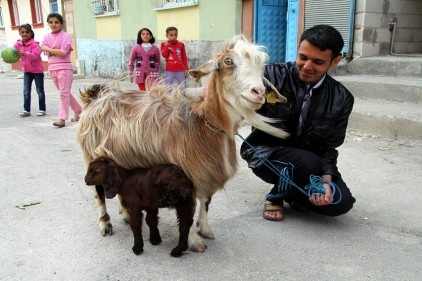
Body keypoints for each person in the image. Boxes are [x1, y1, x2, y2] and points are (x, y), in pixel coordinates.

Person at [240, 24, 356, 221]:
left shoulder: (342, 98)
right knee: (307, 163)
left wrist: (327, 181)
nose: (307, 66)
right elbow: (234, 83)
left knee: (339, 203)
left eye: (318, 62)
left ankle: (295, 192)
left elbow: (329, 148)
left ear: (335, 61)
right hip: (265, 151)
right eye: (303, 57)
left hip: (308, 160)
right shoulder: (271, 76)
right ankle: (276, 196)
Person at [41, 12, 82, 128]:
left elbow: (63, 52)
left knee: (63, 94)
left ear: (61, 24)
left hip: (64, 68)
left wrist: (49, 49)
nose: (53, 24)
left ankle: (62, 118)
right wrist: (54, 49)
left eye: (56, 22)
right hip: (52, 68)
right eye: (51, 22)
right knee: (65, 93)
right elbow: (44, 51)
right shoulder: (46, 36)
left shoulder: (65, 36)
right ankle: (79, 110)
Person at [14, 24, 47, 117]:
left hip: (37, 72)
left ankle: (42, 109)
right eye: (22, 32)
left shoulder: (35, 44)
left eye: (27, 32)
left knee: (40, 90)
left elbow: (35, 56)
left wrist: (24, 53)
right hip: (26, 71)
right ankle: (26, 110)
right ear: (19, 33)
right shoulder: (18, 44)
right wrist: (9, 57)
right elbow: (13, 53)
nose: (24, 34)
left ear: (31, 33)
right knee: (26, 91)